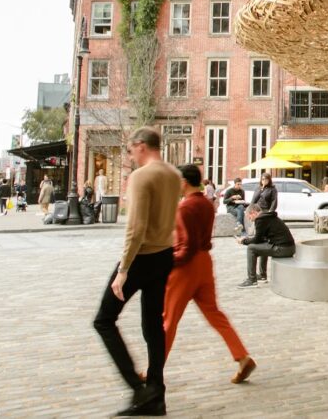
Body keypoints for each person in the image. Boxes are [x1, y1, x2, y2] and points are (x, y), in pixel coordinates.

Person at [92, 127, 181, 416]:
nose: (130, 155)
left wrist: (123, 270)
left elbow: (135, 228)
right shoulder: (173, 175)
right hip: (164, 255)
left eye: (130, 149)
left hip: (141, 258)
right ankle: (156, 393)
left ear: (141, 146)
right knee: (153, 325)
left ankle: (139, 389)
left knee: (104, 320)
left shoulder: (142, 176)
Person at [163, 164, 256, 384]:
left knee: (168, 320)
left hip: (187, 267)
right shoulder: (206, 203)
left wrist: (168, 259)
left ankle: (153, 370)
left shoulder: (184, 207)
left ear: (184, 182)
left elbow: (186, 246)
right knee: (215, 314)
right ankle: (242, 356)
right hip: (205, 262)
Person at [238, 203, 295, 288]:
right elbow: (261, 239)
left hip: (283, 249)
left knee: (251, 248)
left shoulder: (260, 219)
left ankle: (251, 280)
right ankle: (262, 276)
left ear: (253, 212)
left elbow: (257, 239)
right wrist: (248, 239)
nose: (250, 220)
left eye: (249, 217)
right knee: (262, 245)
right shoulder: (266, 217)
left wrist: (244, 241)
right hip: (289, 247)